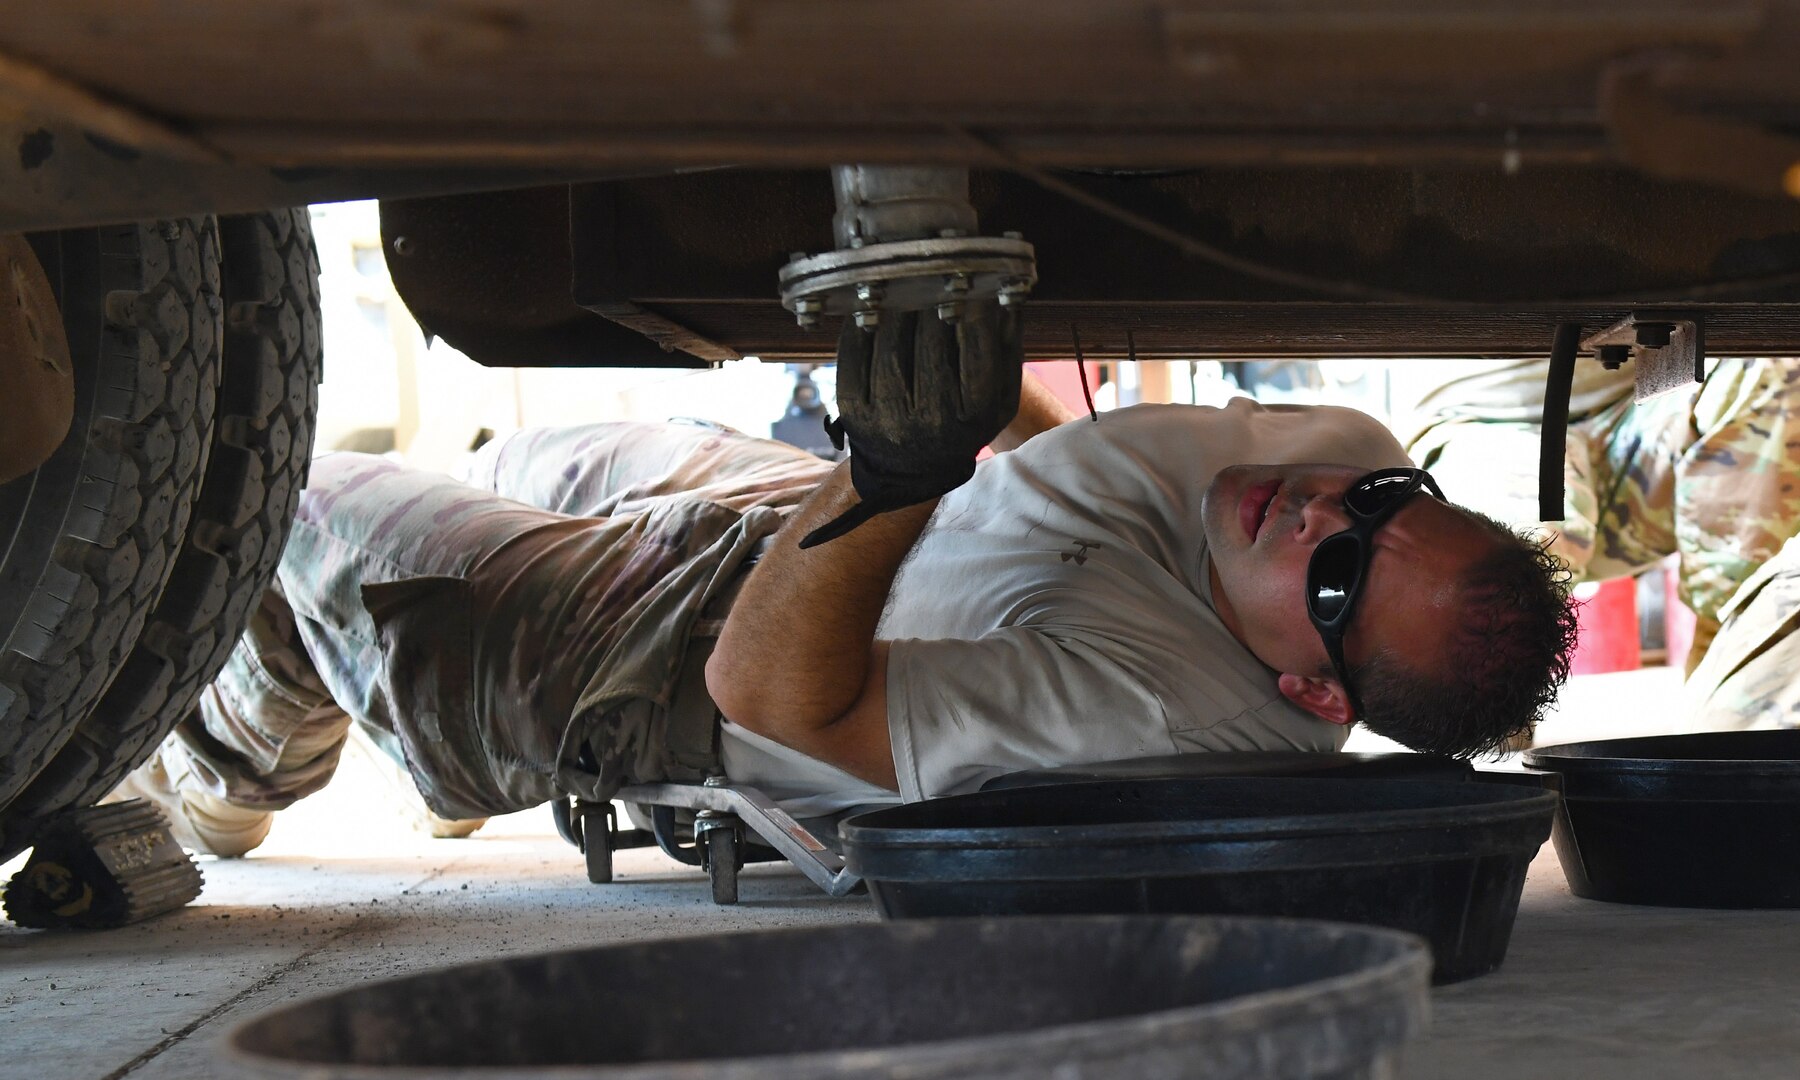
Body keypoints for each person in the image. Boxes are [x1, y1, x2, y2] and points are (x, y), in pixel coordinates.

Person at [113, 304, 1577, 856]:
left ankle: (233, 765)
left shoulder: (1151, 726)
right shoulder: (1339, 453)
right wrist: (959, 397)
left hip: (675, 669)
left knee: (306, 508)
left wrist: (888, 468)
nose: (1325, 503)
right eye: (1386, 506)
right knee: (534, 442)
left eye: (1338, 572)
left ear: (1313, 690)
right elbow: (1063, 499)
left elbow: (767, 691)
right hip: (820, 529)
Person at [1404, 355, 1800, 730]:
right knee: (1528, 551)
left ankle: (1728, 648)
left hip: (1640, 408)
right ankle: (1493, 715)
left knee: (1772, 363)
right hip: (1487, 422)